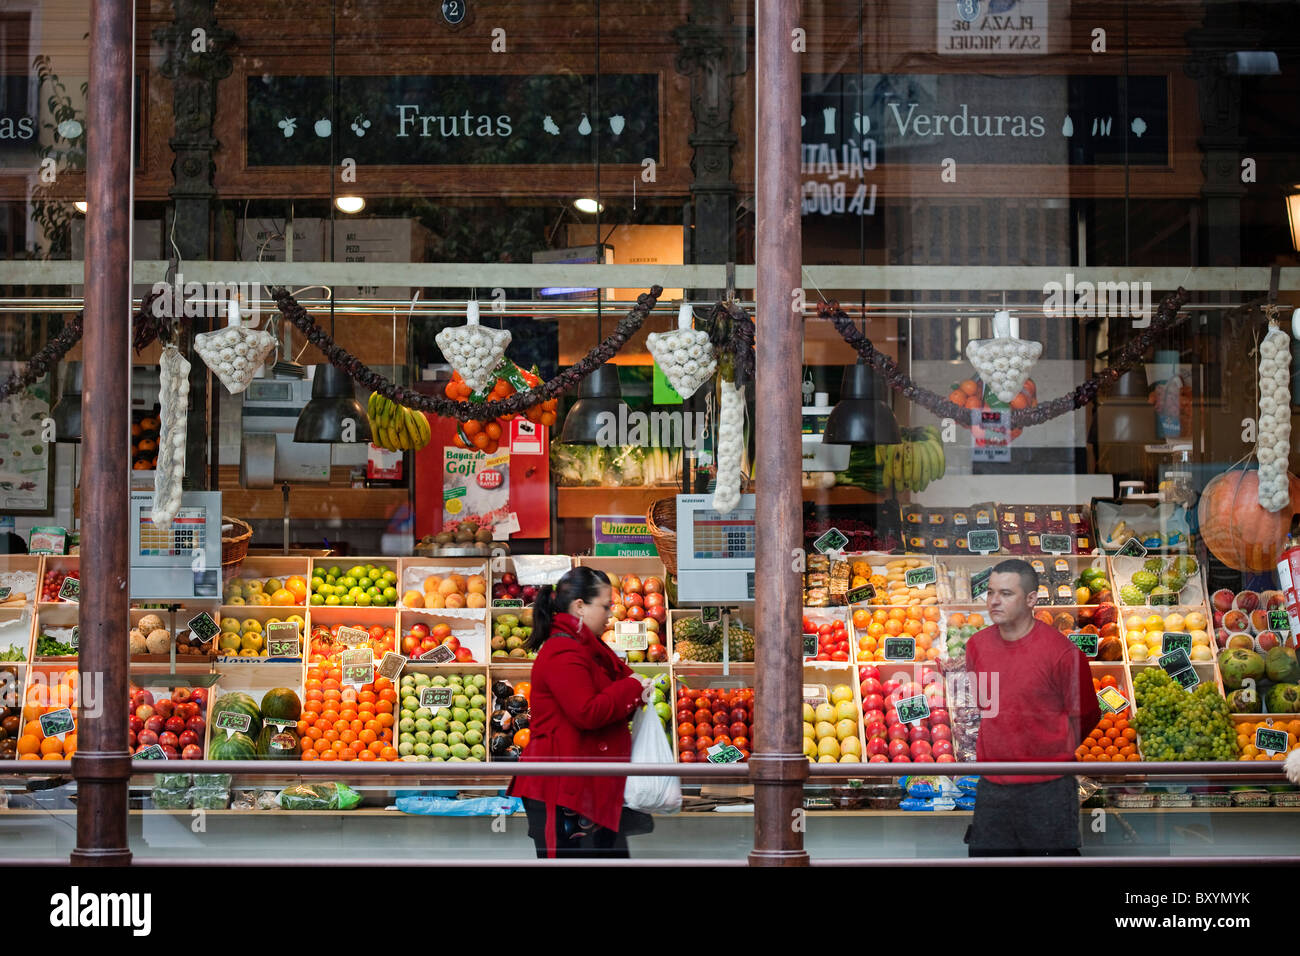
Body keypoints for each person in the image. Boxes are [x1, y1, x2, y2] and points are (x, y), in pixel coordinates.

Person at [507, 566, 653, 858]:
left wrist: (634, 689)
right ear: (580, 607)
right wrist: (632, 688)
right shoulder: (563, 651)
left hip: (582, 785)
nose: (611, 614)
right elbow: (587, 711)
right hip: (562, 787)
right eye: (605, 606)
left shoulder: (586, 648)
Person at [963, 558, 1100, 856]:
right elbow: (986, 704)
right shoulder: (976, 645)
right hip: (992, 785)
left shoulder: (1062, 653)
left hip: (1048, 788)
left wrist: (1051, 749)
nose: (994, 601)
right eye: (990, 592)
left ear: (1031, 599)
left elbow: (1088, 713)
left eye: (1006, 593)